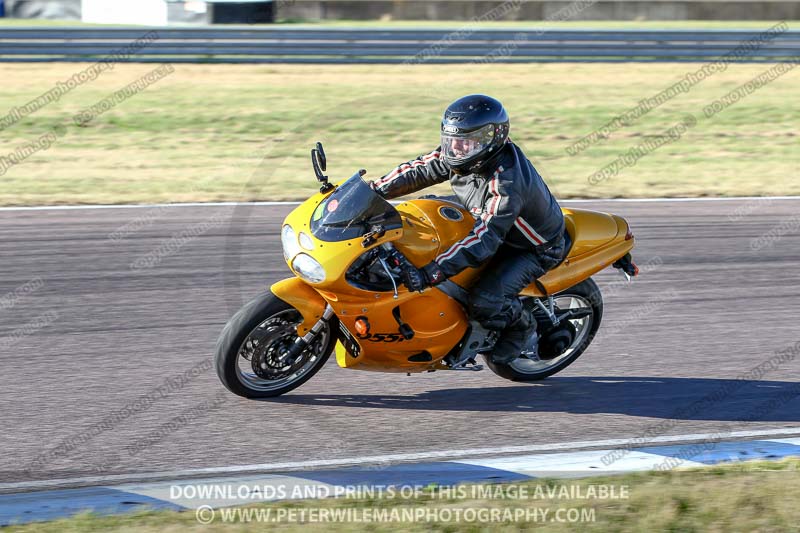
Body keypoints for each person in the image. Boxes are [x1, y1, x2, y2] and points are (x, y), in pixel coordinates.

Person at [371, 94, 567, 364]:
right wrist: (373, 191)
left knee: (484, 300)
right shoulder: (463, 153)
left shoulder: (506, 183)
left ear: (491, 139)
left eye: (466, 141)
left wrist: (433, 271)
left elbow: (485, 239)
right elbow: (420, 169)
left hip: (530, 248)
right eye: (452, 140)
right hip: (489, 223)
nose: (457, 148)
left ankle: (522, 326)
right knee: (419, 216)